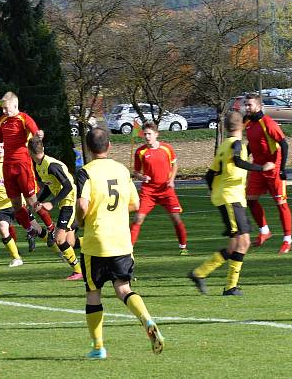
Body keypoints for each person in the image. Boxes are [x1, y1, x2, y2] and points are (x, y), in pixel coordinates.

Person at [76, 127, 164, 359]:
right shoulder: (122, 170)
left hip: (96, 241)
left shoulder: (85, 172)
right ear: (109, 146)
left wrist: (78, 221)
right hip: (122, 241)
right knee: (123, 288)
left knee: (93, 292)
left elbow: (83, 205)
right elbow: (135, 204)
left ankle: (98, 348)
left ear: (87, 148)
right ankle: (146, 319)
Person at [188, 111, 275, 296]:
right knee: (242, 242)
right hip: (231, 198)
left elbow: (209, 175)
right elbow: (237, 161)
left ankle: (202, 274)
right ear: (242, 126)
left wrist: (213, 190)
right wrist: (261, 168)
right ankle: (228, 286)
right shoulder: (236, 144)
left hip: (230, 198)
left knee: (238, 244)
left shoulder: (223, 146)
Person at [0, 91, 52, 250]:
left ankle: (51, 228)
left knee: (33, 203)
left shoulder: (23, 118)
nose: (4, 111)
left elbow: (36, 134)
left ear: (15, 106)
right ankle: (30, 230)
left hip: (23, 166)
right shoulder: (2, 121)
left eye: (6, 108)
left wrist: (39, 134)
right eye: (2, 109)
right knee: (16, 206)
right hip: (8, 167)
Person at [242, 93, 292, 254]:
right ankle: (264, 231)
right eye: (246, 105)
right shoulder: (248, 123)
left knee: (280, 204)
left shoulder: (268, 123)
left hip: (273, 167)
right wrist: (243, 157)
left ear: (259, 106)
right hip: (258, 167)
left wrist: (283, 169)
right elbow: (253, 143)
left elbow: (284, 145)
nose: (247, 107)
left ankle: (287, 240)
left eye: (250, 105)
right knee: (250, 200)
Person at [130, 122, 189, 254]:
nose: (147, 136)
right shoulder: (140, 151)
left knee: (176, 218)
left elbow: (175, 165)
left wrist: (171, 180)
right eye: (145, 134)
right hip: (148, 191)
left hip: (166, 190)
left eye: (149, 134)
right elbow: (136, 172)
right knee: (138, 218)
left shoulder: (167, 148)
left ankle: (183, 247)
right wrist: (142, 178)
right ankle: (128, 250)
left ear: (156, 134)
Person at [29, 137, 83, 280]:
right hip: (64, 202)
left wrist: (52, 203)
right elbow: (49, 184)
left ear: (30, 153)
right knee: (70, 243)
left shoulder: (51, 165)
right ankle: (95, 240)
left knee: (59, 239)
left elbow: (68, 186)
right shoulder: (39, 165)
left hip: (69, 201)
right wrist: (39, 200)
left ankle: (78, 271)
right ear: (43, 149)